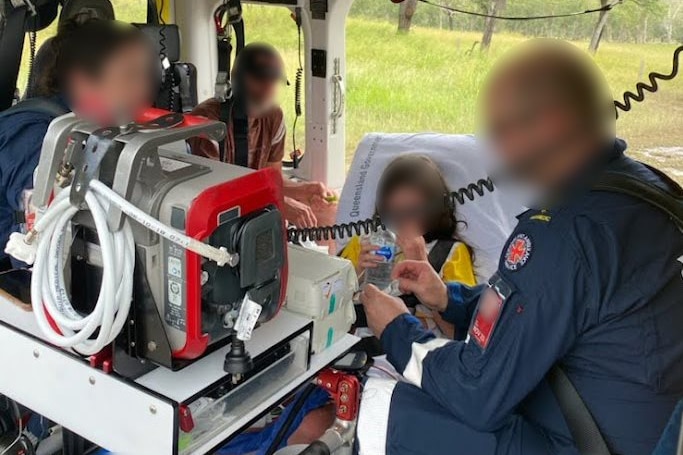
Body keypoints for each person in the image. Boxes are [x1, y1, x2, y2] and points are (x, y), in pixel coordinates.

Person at [357, 39, 683, 455]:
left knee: (380, 405)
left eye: (505, 130)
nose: (500, 151)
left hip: (587, 440)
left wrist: (399, 330)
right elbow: (539, 311)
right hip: (633, 420)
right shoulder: (653, 189)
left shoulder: (562, 231)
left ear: (552, 123)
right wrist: (447, 298)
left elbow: (477, 391)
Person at [0, 18, 153, 271]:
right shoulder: (39, 140)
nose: (143, 87)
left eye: (145, 75)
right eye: (130, 75)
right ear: (83, 81)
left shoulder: (101, 130)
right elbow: (36, 256)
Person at [188, 43, 335, 228]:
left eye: (273, 81)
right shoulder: (207, 122)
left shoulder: (273, 117)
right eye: (260, 80)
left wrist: (303, 190)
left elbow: (270, 177)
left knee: (327, 217)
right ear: (239, 80)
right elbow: (211, 190)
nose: (268, 89)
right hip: (214, 216)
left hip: (252, 209)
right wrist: (278, 202)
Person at [340, 154, 476, 337]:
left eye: (412, 212)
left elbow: (458, 334)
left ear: (435, 210)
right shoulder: (363, 244)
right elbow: (325, 302)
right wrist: (356, 272)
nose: (403, 221)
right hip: (358, 349)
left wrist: (422, 263)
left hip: (417, 351)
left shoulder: (451, 253)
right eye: (394, 212)